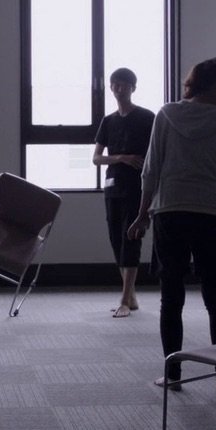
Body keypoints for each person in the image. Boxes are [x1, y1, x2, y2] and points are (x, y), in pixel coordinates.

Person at [128, 58, 216, 393]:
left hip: (170, 210)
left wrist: (142, 213)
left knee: (172, 296)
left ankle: (173, 374)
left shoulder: (166, 114)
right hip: (211, 212)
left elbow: (150, 169)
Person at [92, 67, 155, 318]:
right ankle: (130, 295)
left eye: (124, 85)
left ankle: (125, 298)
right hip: (113, 187)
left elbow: (156, 153)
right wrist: (122, 158)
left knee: (131, 237)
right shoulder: (108, 121)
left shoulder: (147, 117)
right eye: (115, 85)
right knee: (115, 238)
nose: (119, 89)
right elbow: (97, 159)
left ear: (133, 88)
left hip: (138, 187)